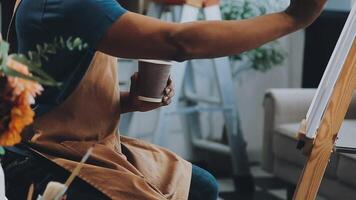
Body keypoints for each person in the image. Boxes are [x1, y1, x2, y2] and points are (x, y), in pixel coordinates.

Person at [2, 0, 327, 200]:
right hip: (47, 158)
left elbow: (55, 95)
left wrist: (129, 100)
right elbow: (179, 42)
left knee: (200, 186)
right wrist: (293, 18)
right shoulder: (76, 2)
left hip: (86, 145)